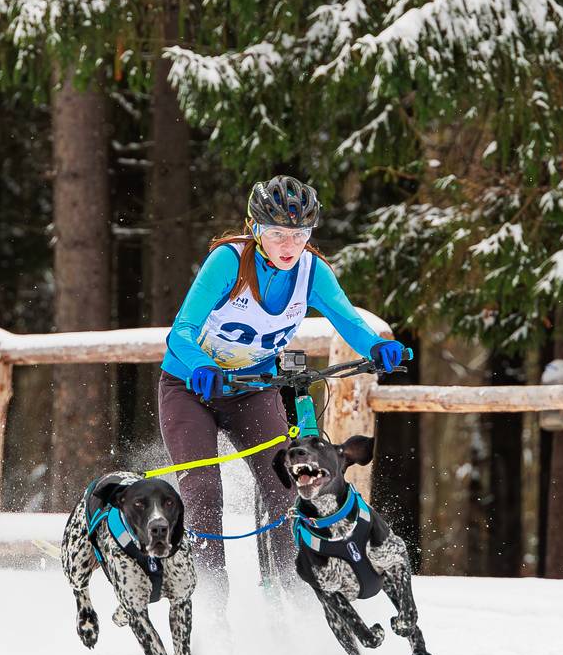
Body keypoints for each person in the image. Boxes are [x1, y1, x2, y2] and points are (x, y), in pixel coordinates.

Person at [158, 174, 406, 613]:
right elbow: (182, 330)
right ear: (255, 229)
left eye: (300, 234)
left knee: (287, 484)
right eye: (277, 234)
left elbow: (347, 320)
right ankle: (210, 602)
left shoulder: (312, 271)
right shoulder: (228, 262)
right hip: (190, 388)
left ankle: (295, 594)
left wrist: (376, 346)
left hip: (253, 389)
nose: (289, 245)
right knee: (204, 490)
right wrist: (199, 366)